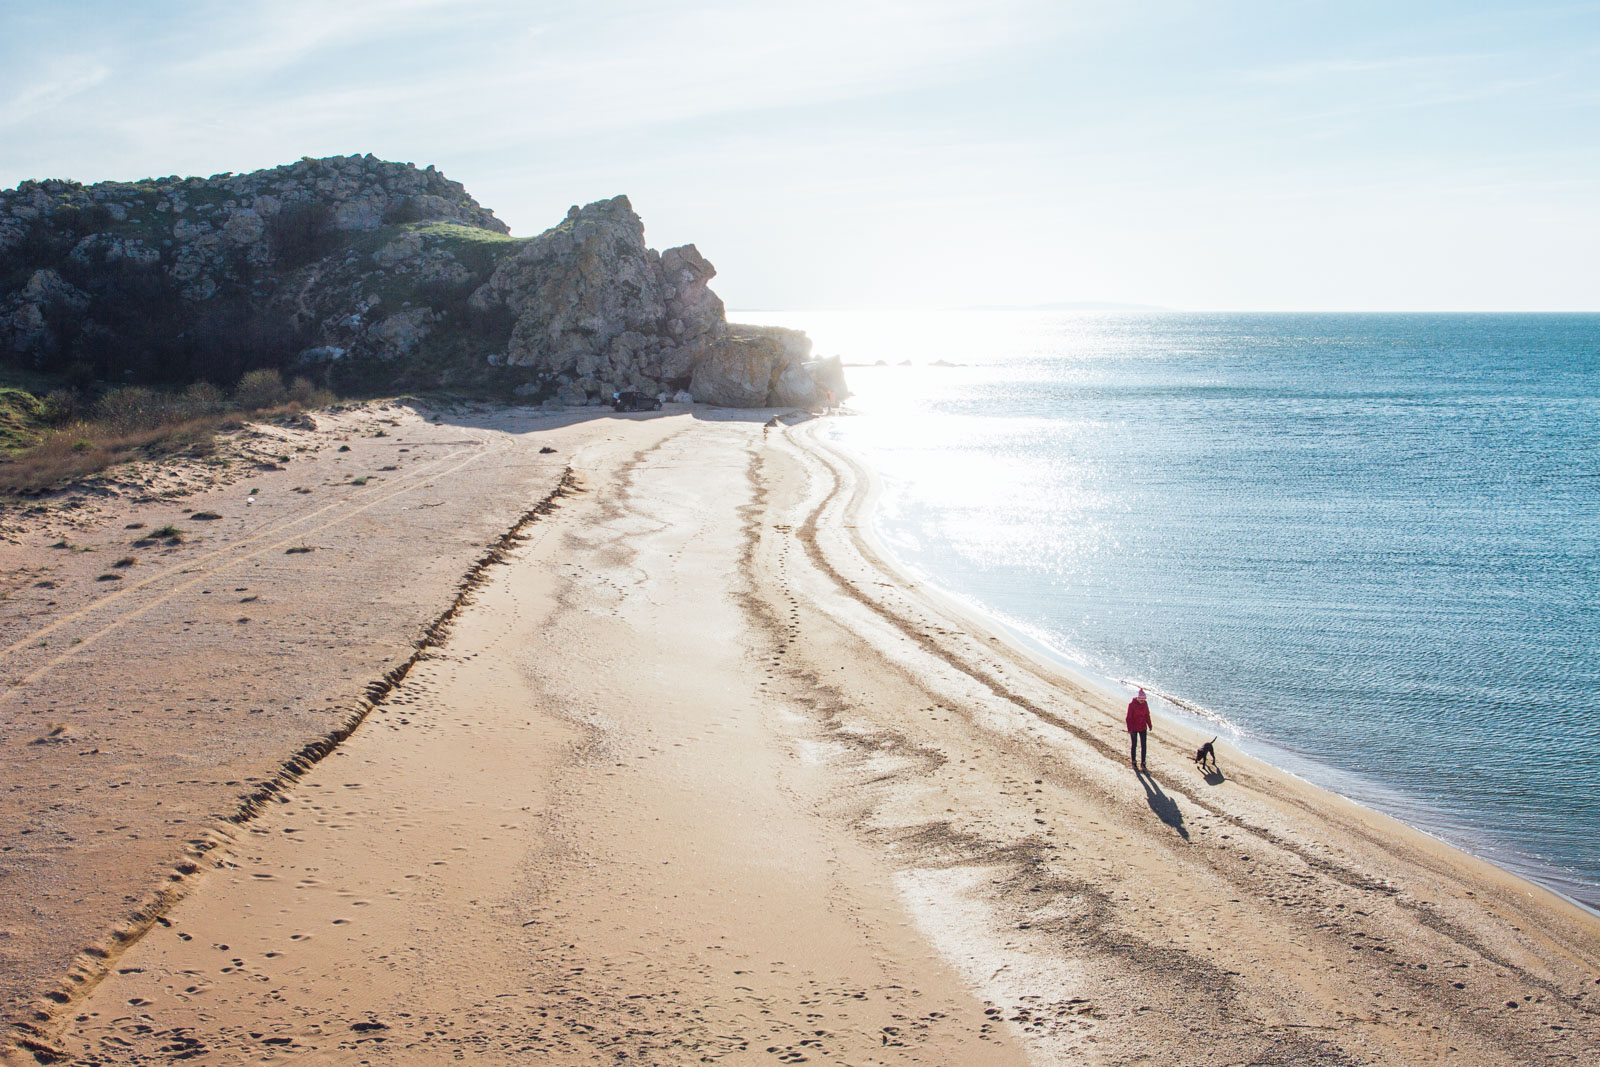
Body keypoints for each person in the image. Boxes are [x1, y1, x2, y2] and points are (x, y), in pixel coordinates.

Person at [1126, 687, 1152, 772]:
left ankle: (1143, 763)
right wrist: (1129, 729)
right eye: (1141, 700)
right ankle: (1134, 762)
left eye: (1144, 700)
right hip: (1134, 728)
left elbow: (1147, 715)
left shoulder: (1145, 704)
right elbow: (1128, 718)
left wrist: (1149, 724)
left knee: (1144, 745)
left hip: (1142, 727)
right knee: (1134, 745)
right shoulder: (1131, 705)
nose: (1143, 702)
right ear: (1138, 699)